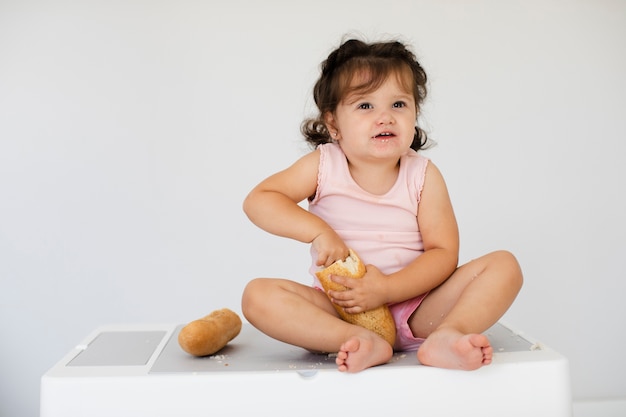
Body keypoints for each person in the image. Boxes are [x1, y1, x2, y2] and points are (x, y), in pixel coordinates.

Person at [241, 38, 523, 373]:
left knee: (505, 266)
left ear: (415, 116)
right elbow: (259, 200)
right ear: (333, 125)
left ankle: (447, 335)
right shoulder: (323, 165)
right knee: (257, 296)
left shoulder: (422, 175)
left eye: (399, 105)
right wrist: (318, 231)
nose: (385, 117)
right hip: (340, 305)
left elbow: (444, 253)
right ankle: (356, 339)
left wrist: (387, 290)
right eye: (365, 106)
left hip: (418, 309)